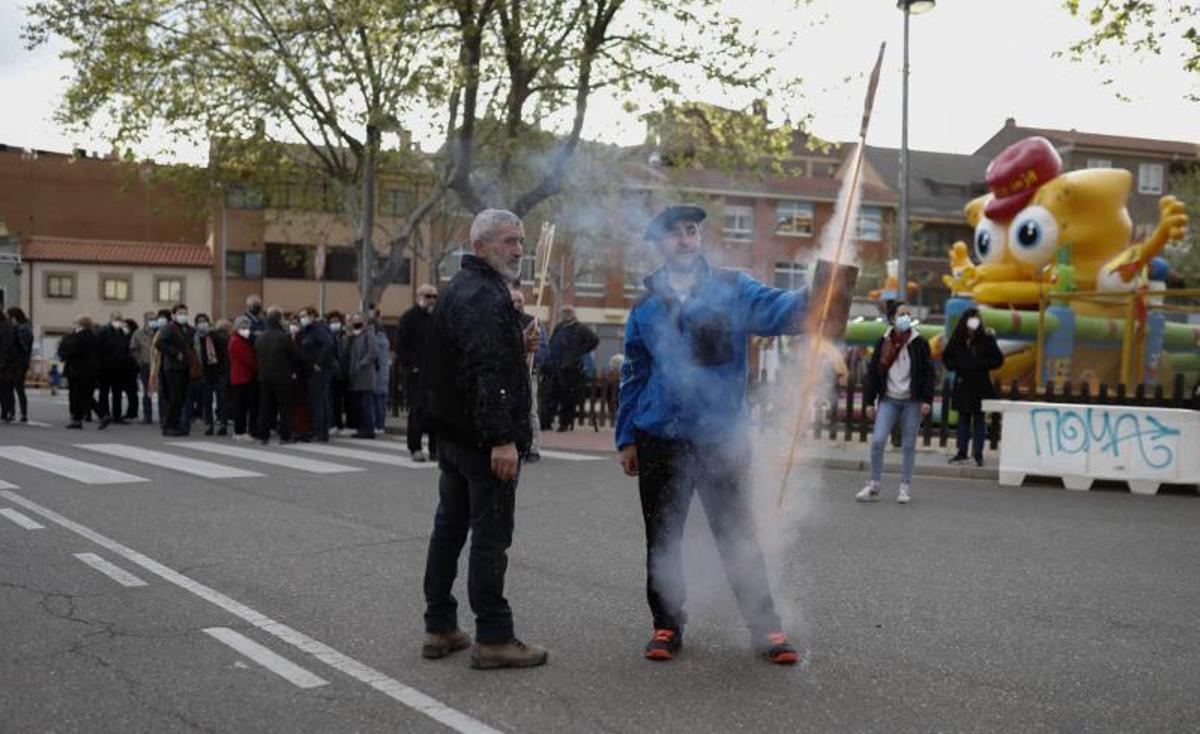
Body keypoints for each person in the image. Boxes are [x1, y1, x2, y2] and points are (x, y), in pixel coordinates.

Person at [616, 204, 802, 665]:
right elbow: (634, 375)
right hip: (659, 436)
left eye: (692, 230)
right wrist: (626, 437)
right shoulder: (643, 307)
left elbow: (779, 310)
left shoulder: (733, 288)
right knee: (662, 539)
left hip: (722, 438)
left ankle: (767, 629)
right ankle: (666, 625)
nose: (685, 239)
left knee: (738, 534)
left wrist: (817, 294)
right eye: (675, 233)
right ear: (659, 243)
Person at [422, 208, 547, 670]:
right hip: (480, 440)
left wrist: (518, 343)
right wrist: (502, 439)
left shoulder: (463, 290)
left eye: (520, 241)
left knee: (449, 530)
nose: (518, 250)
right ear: (480, 246)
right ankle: (494, 635)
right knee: (490, 538)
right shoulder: (485, 296)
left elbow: (472, 356)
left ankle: (439, 626)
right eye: (508, 241)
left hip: (455, 437)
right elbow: (486, 372)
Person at [857, 300, 937, 505]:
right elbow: (874, 374)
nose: (906, 317)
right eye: (902, 314)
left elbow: (929, 374)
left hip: (912, 401)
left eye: (908, 314)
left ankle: (905, 487)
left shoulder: (919, 343)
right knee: (877, 440)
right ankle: (874, 484)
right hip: (888, 399)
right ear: (892, 318)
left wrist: (926, 399)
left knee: (909, 444)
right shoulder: (882, 341)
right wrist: (869, 402)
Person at [942, 307, 1003, 467]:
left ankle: (978, 454)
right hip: (962, 384)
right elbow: (946, 357)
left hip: (980, 385)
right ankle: (961, 452)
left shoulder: (986, 339)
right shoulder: (957, 340)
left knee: (979, 420)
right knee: (963, 419)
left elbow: (998, 360)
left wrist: (982, 364)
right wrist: (957, 366)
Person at [396, 285, 439, 460]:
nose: (432, 300)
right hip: (416, 373)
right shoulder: (408, 318)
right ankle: (415, 447)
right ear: (419, 296)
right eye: (429, 296)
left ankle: (435, 449)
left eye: (435, 296)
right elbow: (400, 345)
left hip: (436, 373)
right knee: (417, 411)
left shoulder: (438, 318)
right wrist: (410, 365)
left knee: (436, 411)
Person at [540, 305, 598, 432]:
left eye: (568, 312)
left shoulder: (581, 328)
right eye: (564, 312)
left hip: (570, 370)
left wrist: (577, 353)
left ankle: (564, 423)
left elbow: (594, 341)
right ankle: (546, 422)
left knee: (567, 398)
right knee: (550, 396)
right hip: (554, 367)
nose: (566, 314)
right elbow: (552, 344)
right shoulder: (559, 327)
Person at [509, 284, 547, 462]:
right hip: (508, 373)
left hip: (528, 373)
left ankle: (533, 448)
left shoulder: (533, 322)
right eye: (513, 301)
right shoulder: (502, 322)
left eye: (519, 301)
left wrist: (533, 357)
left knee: (531, 410)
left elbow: (543, 348)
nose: (516, 304)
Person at [255, 307, 302, 444]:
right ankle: (285, 435)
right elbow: (295, 356)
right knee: (285, 407)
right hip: (283, 376)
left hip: (264, 376)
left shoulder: (261, 338)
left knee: (265, 407)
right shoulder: (284, 337)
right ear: (278, 320)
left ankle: (263, 435)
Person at [57, 315, 109, 430]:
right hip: (91, 370)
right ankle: (89, 417)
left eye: (75, 322)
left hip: (78, 370)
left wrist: (63, 355)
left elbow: (73, 351)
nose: (74, 324)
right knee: (87, 395)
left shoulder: (78, 336)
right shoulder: (93, 336)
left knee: (77, 395)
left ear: (81, 324)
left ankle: (80, 419)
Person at [155, 303, 199, 436]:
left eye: (185, 313)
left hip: (186, 367)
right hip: (173, 368)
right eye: (180, 313)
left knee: (180, 398)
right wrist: (175, 353)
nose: (183, 316)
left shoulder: (189, 329)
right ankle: (168, 425)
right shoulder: (169, 328)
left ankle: (176, 425)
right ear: (174, 315)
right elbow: (160, 343)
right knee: (174, 398)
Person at [299, 307, 337, 443]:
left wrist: (319, 363)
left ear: (312, 316)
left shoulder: (318, 329)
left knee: (318, 400)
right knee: (322, 400)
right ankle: (322, 431)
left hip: (321, 370)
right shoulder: (310, 330)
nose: (302, 318)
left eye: (304, 315)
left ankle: (319, 431)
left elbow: (328, 345)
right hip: (319, 369)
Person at [343, 312, 379, 439]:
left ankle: (369, 428)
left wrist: (362, 364)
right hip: (355, 375)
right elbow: (347, 351)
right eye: (354, 320)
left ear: (365, 322)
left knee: (366, 402)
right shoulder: (354, 336)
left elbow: (373, 352)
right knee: (360, 403)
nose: (356, 322)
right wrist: (349, 336)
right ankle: (362, 428)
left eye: (359, 320)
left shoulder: (368, 334)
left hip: (365, 374)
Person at [195, 314, 230, 436]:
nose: (202, 324)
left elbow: (224, 342)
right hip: (206, 373)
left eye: (205, 321)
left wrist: (211, 333)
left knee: (222, 399)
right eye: (200, 322)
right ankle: (209, 424)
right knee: (207, 400)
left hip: (220, 371)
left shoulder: (217, 335)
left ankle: (223, 424)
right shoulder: (196, 338)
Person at [97, 311, 134, 424]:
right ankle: (105, 414)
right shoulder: (104, 331)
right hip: (106, 367)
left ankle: (117, 416)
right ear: (111, 319)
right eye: (116, 319)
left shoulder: (123, 333)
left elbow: (128, 347)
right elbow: (99, 348)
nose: (118, 321)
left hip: (120, 367)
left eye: (119, 319)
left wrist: (128, 334)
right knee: (104, 392)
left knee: (117, 393)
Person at [228, 316, 259, 441]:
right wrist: (257, 367)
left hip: (242, 376)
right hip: (242, 376)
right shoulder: (237, 341)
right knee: (241, 406)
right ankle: (240, 431)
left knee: (242, 405)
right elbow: (248, 359)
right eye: (243, 327)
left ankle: (240, 430)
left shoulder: (240, 340)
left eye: (247, 327)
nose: (246, 329)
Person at [326, 311, 351, 435]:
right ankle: (333, 423)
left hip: (343, 373)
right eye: (332, 322)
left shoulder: (344, 336)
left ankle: (339, 424)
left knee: (339, 400)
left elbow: (345, 354)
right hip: (333, 372)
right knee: (332, 400)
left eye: (336, 321)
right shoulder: (328, 336)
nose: (334, 324)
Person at [130, 314, 157, 424]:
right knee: (147, 391)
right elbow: (134, 349)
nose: (152, 321)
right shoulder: (138, 333)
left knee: (164, 391)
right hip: (146, 364)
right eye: (150, 319)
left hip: (159, 364)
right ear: (145, 320)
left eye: (153, 319)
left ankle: (165, 415)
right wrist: (140, 361)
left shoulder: (159, 331)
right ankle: (147, 416)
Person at [8, 308, 33, 422]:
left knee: (16, 388)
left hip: (18, 362)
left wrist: (15, 337)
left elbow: (23, 346)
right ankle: (20, 413)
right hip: (20, 362)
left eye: (10, 317)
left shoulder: (22, 328)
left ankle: (16, 413)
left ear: (14, 317)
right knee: (18, 388)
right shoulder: (24, 327)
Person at [372, 316, 391, 434]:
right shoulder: (384, 339)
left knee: (378, 399)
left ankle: (379, 424)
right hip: (384, 371)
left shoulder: (377, 340)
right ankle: (381, 424)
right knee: (382, 399)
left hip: (378, 372)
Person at [0, 310, 17, 422]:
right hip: (10, 362)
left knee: (4, 388)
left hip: (4, 362)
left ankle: (7, 412)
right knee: (7, 389)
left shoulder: (3, 327)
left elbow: (5, 346)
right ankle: (8, 412)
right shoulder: (9, 326)